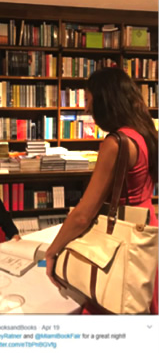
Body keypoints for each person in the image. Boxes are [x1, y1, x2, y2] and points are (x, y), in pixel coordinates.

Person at [45, 67, 158, 314]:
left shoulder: (116, 143)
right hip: (145, 229)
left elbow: (84, 213)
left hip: (121, 237)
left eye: (88, 100)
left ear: (105, 99)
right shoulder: (146, 134)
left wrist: (52, 252)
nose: (86, 108)